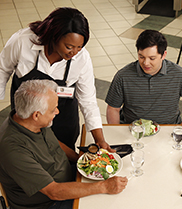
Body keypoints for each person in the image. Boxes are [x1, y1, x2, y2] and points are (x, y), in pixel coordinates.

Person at [0, 80, 128, 209]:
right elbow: (53, 192)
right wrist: (104, 186)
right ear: (36, 115)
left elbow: (55, 143)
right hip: (45, 207)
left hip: (66, 178)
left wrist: (82, 159)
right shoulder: (14, 149)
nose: (57, 111)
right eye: (53, 109)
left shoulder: (29, 119)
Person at [0, 7, 111, 155]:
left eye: (79, 47)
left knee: (63, 159)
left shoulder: (81, 58)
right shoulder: (23, 42)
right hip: (28, 119)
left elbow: (88, 100)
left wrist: (99, 139)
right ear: (54, 36)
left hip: (63, 119)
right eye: (69, 47)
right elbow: (2, 71)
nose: (74, 53)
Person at [105, 30, 182, 124]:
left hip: (167, 131)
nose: (145, 63)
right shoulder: (123, 76)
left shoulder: (180, 75)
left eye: (152, 58)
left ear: (163, 55)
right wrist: (118, 133)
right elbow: (113, 108)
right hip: (133, 131)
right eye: (141, 57)